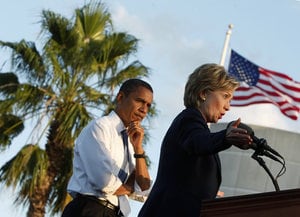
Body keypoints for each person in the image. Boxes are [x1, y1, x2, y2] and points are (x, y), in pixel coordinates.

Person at [138, 63, 253, 217]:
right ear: (204, 93)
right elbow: (197, 142)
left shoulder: (198, 126)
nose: (228, 107)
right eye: (225, 96)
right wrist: (225, 137)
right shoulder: (189, 118)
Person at [62, 78, 153, 217]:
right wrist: (130, 187)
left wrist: (139, 150)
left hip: (113, 212)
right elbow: (104, 182)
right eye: (139, 101)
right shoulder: (100, 127)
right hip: (90, 209)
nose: (144, 110)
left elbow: (144, 187)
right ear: (120, 97)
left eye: (148, 105)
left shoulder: (130, 140)